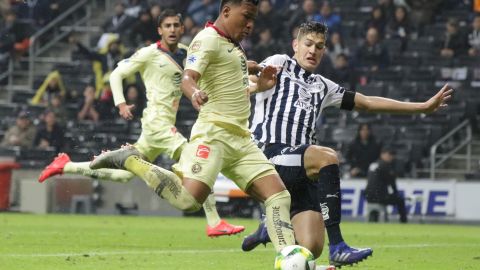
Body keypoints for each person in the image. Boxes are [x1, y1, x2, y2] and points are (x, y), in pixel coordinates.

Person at [90, 0, 297, 256]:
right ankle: (131, 160)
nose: (250, 25)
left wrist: (260, 86)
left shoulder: (234, 45)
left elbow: (235, 90)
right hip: (214, 135)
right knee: (188, 200)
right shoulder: (207, 38)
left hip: (242, 139)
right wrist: (194, 92)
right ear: (226, 11)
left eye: (253, 18)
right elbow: (189, 77)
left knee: (279, 196)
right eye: (246, 17)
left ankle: (291, 259)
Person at [241, 21, 452, 267]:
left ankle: (270, 225)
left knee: (310, 248)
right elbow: (248, 75)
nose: (313, 50)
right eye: (308, 44)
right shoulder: (280, 63)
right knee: (327, 156)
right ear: (295, 45)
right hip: (270, 156)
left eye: (319, 46)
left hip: (301, 169)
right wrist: (251, 82)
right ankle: (339, 245)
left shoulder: (323, 86)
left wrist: (422, 108)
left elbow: (368, 102)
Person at [38, 9, 244, 238]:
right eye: (167, 26)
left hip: (156, 128)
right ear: (160, 30)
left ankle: (66, 165)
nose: (173, 30)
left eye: (176, 25)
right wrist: (121, 104)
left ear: (183, 28)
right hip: (158, 124)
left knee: (124, 175)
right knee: (197, 162)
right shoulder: (149, 53)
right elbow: (116, 74)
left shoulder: (188, 54)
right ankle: (214, 221)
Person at [365, 146, 407, 223]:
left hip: (368, 196)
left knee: (377, 203)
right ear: (382, 154)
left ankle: (373, 220)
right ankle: (404, 222)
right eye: (389, 154)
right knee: (400, 200)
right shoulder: (386, 166)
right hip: (380, 196)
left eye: (392, 155)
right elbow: (392, 182)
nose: (391, 157)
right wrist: (396, 193)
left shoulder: (373, 164)